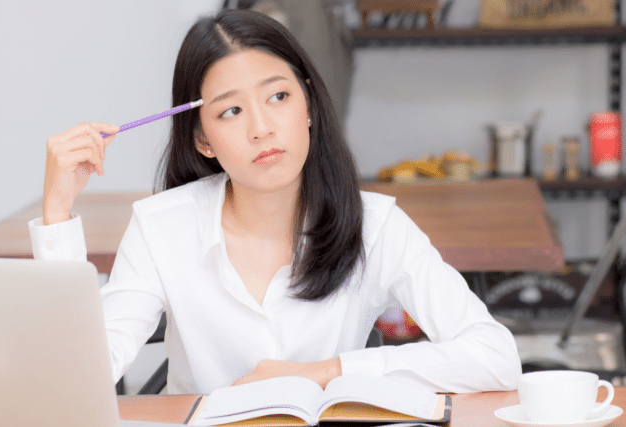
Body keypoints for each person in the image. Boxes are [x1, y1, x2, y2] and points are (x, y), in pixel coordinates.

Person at [29, 9, 520, 395]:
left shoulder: (376, 224)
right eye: (231, 110)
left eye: (278, 97)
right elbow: (75, 379)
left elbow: (495, 356)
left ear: (308, 105)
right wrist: (57, 215)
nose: (261, 127)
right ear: (203, 139)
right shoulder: (161, 227)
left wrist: (323, 373)